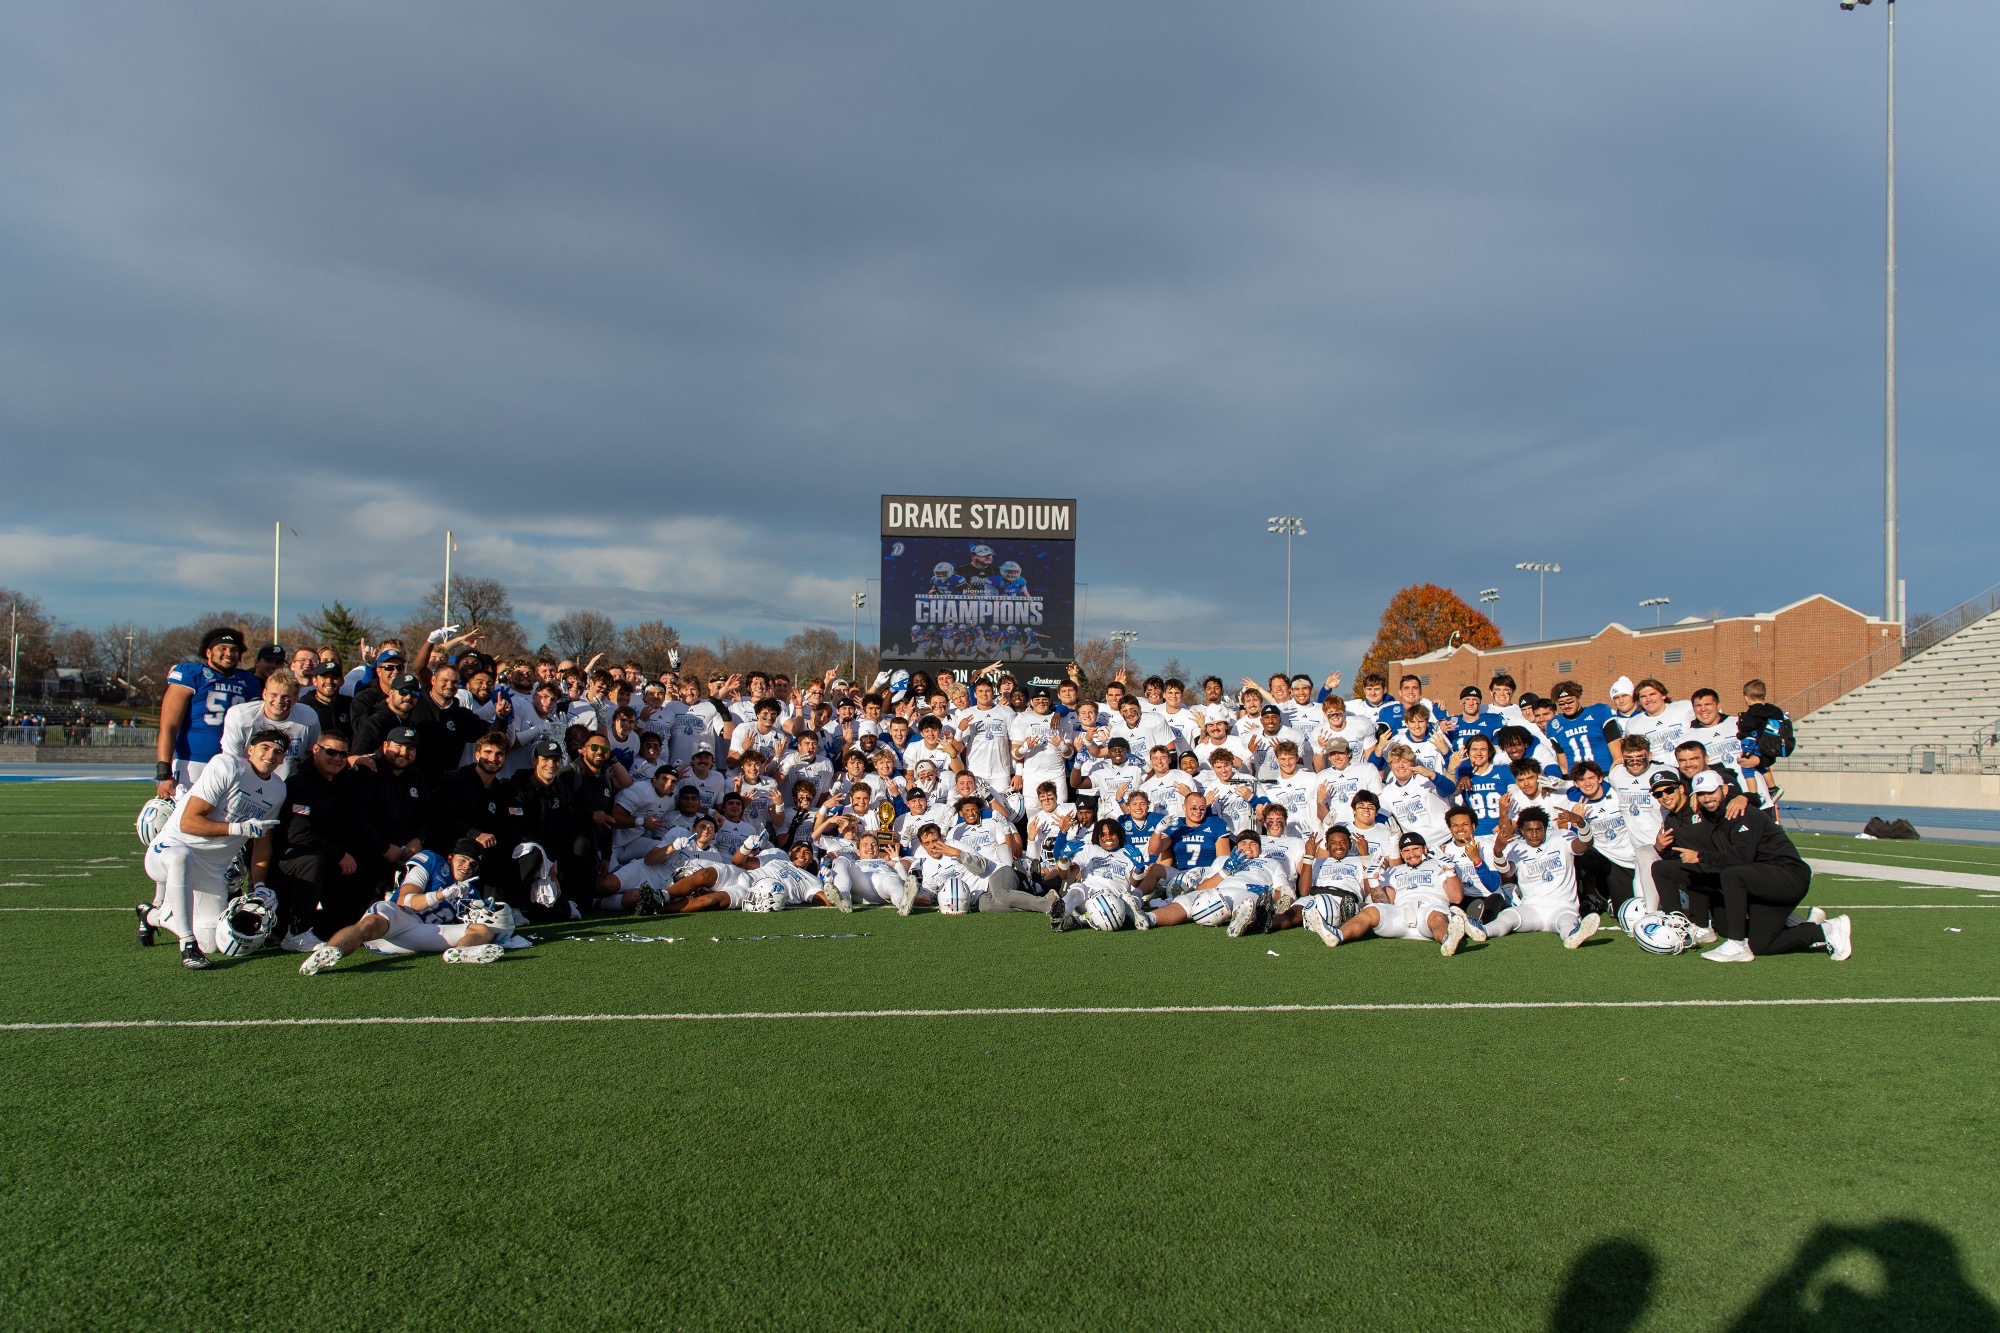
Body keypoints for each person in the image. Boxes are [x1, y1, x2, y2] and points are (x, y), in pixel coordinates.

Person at [1651, 771, 1850, 962]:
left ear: (1724, 790)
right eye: (1701, 794)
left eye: (1711, 792)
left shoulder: (1740, 811)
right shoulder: (1710, 814)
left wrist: (1701, 856)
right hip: (1760, 881)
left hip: (1787, 876)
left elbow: (1742, 857)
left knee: (1732, 874)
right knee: (1761, 945)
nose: (1706, 798)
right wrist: (1662, 848)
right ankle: (1824, 930)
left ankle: (1737, 944)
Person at [135, 729, 289, 969]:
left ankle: (153, 915)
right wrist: (239, 829)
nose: (271, 755)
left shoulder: (278, 789)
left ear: (283, 759)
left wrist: (260, 885)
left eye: (278, 752)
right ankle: (187, 946)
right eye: (265, 748)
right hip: (169, 850)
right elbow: (189, 822)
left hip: (212, 869)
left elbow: (263, 842)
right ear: (250, 749)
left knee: (210, 942)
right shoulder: (227, 766)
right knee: (180, 857)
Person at [299, 839, 519, 973]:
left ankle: (461, 953)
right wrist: (442, 894)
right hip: (398, 917)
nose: (467, 867)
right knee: (370, 922)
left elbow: (478, 922)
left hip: (423, 932)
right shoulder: (432, 861)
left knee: (482, 930)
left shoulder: (469, 891)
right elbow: (407, 900)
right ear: (450, 857)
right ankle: (330, 951)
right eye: (462, 859)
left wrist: (501, 923)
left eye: (473, 864)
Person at [154, 626, 264, 798]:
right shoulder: (192, 674)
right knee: (184, 820)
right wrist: (163, 772)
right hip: (193, 762)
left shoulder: (248, 681)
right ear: (209, 652)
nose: (229, 653)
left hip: (234, 763)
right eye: (223, 648)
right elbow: (169, 727)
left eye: (234, 650)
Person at [1485, 804, 1601, 949]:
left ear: (1545, 829)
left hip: (1563, 906)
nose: (1534, 835)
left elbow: (1585, 844)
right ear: (1521, 830)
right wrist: (1497, 852)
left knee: (1567, 922)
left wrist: (1580, 822)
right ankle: (1482, 930)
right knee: (1507, 916)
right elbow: (1507, 872)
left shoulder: (1561, 838)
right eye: (1529, 830)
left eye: (1539, 830)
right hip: (1532, 908)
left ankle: (1573, 936)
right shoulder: (1516, 847)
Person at [220, 669, 320, 780]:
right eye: (274, 695)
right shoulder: (241, 716)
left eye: (286, 697)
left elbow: (312, 755)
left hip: (289, 782)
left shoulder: (308, 716)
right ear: (264, 694)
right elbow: (231, 760)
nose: (279, 701)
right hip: (246, 778)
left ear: (295, 698)